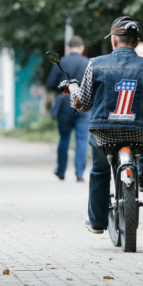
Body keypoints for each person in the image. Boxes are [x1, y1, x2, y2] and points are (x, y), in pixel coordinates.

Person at [68, 16, 143, 234]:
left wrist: (73, 91)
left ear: (114, 41)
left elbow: (84, 103)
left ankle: (97, 223)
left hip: (104, 134)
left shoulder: (95, 64)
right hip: (138, 135)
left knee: (99, 172)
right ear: (136, 43)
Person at [47, 36, 90, 182]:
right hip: (84, 105)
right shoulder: (88, 63)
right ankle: (79, 173)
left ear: (67, 47)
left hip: (65, 105)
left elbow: (51, 83)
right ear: (82, 48)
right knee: (82, 139)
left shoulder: (61, 63)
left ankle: (61, 170)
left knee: (64, 138)